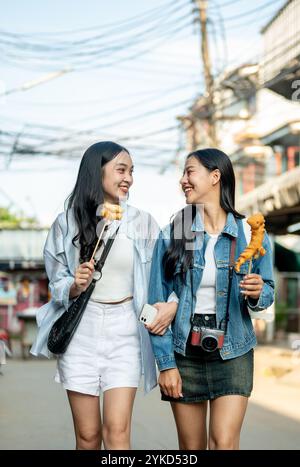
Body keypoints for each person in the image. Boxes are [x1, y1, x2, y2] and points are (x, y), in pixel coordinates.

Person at [31, 141, 173, 450]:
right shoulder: (66, 223)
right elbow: (55, 282)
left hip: (126, 329)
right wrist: (73, 285)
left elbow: (163, 276)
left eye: (132, 171)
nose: (129, 178)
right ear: (97, 173)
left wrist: (170, 305)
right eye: (121, 170)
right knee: (88, 436)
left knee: (117, 433)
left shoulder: (142, 222)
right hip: (81, 330)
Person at [147, 148, 274, 450]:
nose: (183, 180)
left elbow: (268, 291)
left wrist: (258, 293)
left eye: (190, 171)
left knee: (224, 443)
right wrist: (165, 364)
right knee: (191, 449)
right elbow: (154, 305)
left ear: (215, 176)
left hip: (234, 350)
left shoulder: (249, 233)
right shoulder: (172, 234)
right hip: (184, 352)